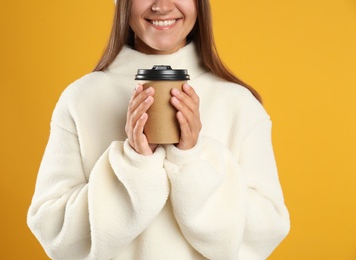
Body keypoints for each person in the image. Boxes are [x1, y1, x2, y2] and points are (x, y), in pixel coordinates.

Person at [27, 0, 290, 259]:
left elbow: (265, 232)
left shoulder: (239, 104)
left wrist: (193, 160)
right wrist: (134, 164)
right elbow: (54, 233)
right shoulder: (81, 99)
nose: (162, 6)